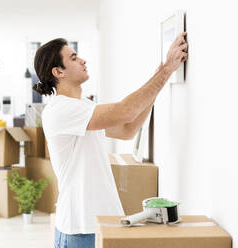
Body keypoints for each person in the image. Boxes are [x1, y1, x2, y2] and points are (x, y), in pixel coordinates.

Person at [33, 33, 188, 248]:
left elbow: (127, 129)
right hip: (81, 229)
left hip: (97, 224)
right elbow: (125, 111)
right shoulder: (60, 110)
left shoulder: (83, 107)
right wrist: (165, 71)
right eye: (74, 57)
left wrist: (158, 83)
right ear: (58, 71)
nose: (83, 60)